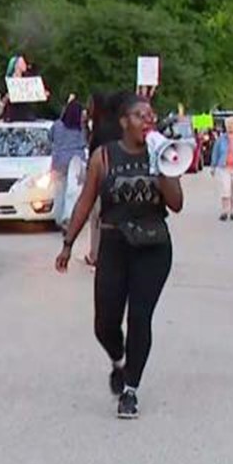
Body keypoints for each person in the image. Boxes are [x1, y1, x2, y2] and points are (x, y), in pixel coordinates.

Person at [55, 92, 185, 420]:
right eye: (141, 116)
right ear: (125, 121)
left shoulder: (162, 154)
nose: (149, 121)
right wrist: (69, 242)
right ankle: (119, 361)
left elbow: (176, 203)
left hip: (153, 247)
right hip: (114, 245)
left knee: (140, 318)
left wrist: (162, 165)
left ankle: (131, 390)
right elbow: (86, 201)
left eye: (152, 116)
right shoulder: (104, 156)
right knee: (105, 323)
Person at [80, 90, 126, 266]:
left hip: (101, 178)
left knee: (97, 218)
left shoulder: (101, 129)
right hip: (119, 176)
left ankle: (95, 254)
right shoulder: (120, 127)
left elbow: (93, 155)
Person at [49, 97, 88, 230]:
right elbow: (85, 141)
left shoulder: (57, 125)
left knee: (59, 190)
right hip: (76, 160)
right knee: (73, 190)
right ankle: (68, 217)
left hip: (59, 160)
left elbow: (50, 138)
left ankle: (59, 218)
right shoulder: (80, 127)